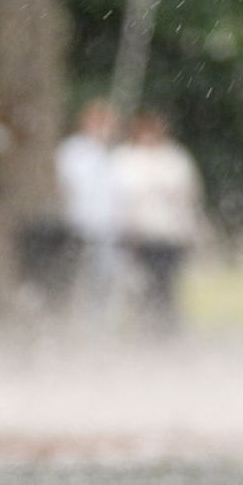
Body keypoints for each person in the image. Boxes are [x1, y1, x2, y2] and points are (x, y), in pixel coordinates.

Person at [113, 111, 207, 331]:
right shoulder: (125, 159)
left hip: (169, 233)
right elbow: (119, 198)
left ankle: (166, 327)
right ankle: (143, 325)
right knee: (140, 283)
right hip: (138, 235)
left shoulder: (175, 158)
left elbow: (189, 194)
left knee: (167, 283)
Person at [55, 99, 123, 316]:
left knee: (103, 280)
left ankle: (98, 323)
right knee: (73, 278)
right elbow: (70, 184)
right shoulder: (73, 150)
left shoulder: (117, 153)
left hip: (110, 228)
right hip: (78, 224)